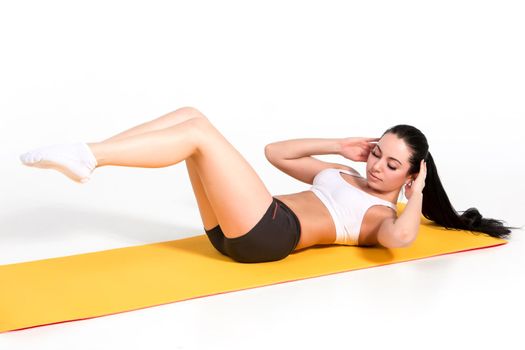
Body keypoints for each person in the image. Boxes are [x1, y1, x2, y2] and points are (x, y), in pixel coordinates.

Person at [19, 106, 514, 263]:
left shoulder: (381, 216)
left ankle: (89, 158)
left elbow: (404, 239)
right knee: (193, 117)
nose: (377, 166)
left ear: (411, 173)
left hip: (269, 234)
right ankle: (92, 153)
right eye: (377, 153)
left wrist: (417, 194)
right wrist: (340, 145)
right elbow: (276, 153)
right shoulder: (341, 173)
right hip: (235, 228)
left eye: (392, 164)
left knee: (196, 133)